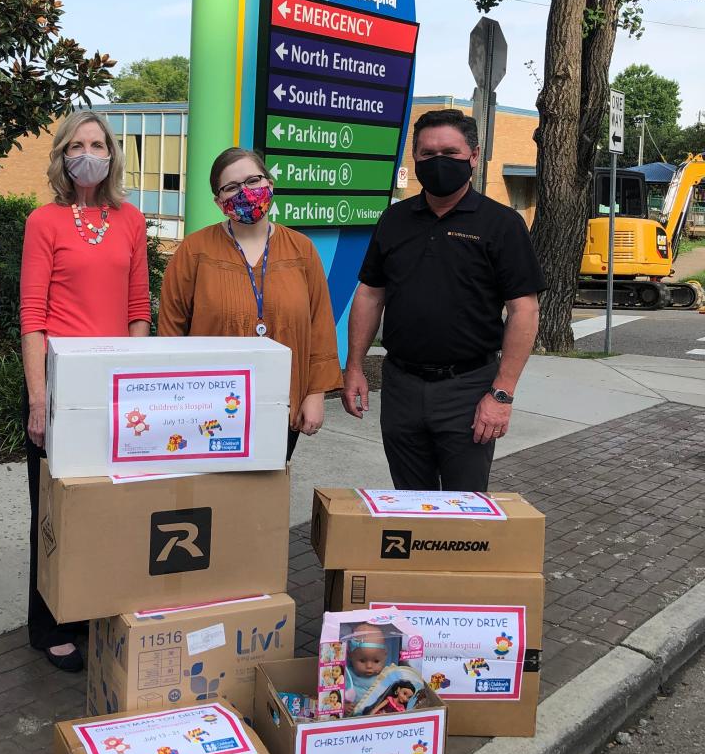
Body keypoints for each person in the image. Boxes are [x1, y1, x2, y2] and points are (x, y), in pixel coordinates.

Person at [342, 108, 544, 490]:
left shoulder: (501, 224)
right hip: (401, 384)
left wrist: (501, 394)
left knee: (463, 509)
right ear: (415, 158)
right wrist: (353, 367)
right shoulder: (394, 220)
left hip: (468, 389)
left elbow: (524, 310)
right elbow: (370, 293)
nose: (438, 162)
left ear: (473, 155)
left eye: (449, 153)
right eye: (427, 153)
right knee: (409, 499)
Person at [20, 110, 150, 671]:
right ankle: (49, 623)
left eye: (98, 144)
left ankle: (97, 611)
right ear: (61, 155)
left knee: (109, 509)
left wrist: (137, 380)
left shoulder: (130, 220)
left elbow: (139, 308)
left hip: (116, 387)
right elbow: (32, 316)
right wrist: (38, 399)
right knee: (55, 511)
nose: (89, 153)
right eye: (77, 144)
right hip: (60, 384)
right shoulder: (44, 221)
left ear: (113, 152)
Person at [158, 147, 342, 461]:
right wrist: (175, 401)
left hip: (281, 404)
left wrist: (315, 393)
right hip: (209, 408)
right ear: (218, 202)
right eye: (231, 187)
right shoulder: (194, 251)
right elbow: (170, 329)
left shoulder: (302, 251)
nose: (245, 192)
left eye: (253, 180)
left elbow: (320, 326)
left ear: (270, 183)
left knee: (265, 492)